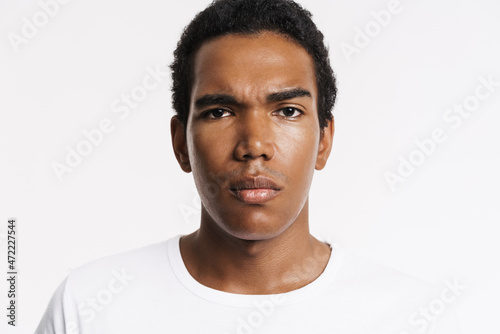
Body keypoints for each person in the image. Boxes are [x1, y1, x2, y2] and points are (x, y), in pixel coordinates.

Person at [35, 0, 458, 333]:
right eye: (219, 112)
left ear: (324, 140)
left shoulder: (412, 317)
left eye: (288, 111)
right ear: (180, 144)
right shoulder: (89, 308)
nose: (254, 145)